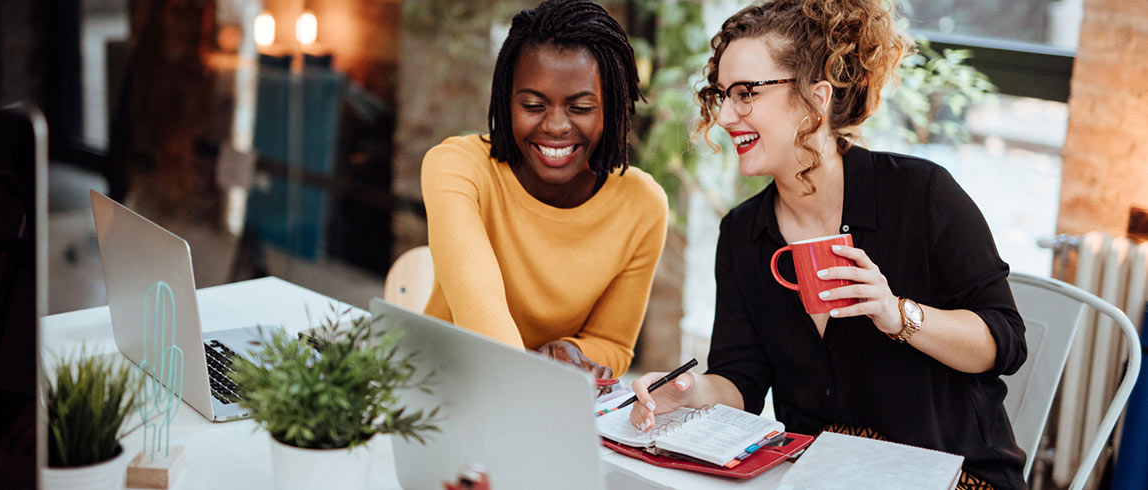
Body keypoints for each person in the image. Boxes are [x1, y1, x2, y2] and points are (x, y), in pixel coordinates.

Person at [628, 1, 1028, 488]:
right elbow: (743, 381)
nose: (727, 115)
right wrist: (689, 392)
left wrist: (897, 314)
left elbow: (1003, 341)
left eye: (746, 93)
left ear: (815, 98)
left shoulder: (921, 194)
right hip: (826, 476)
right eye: (722, 96)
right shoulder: (743, 233)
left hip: (954, 475)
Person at [421, 0, 668, 381]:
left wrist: (575, 351)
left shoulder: (642, 205)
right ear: (506, 101)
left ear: (613, 109)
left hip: (542, 400)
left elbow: (612, 344)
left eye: (581, 107)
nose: (555, 126)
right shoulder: (458, 168)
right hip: (440, 385)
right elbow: (478, 305)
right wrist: (531, 375)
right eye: (533, 104)